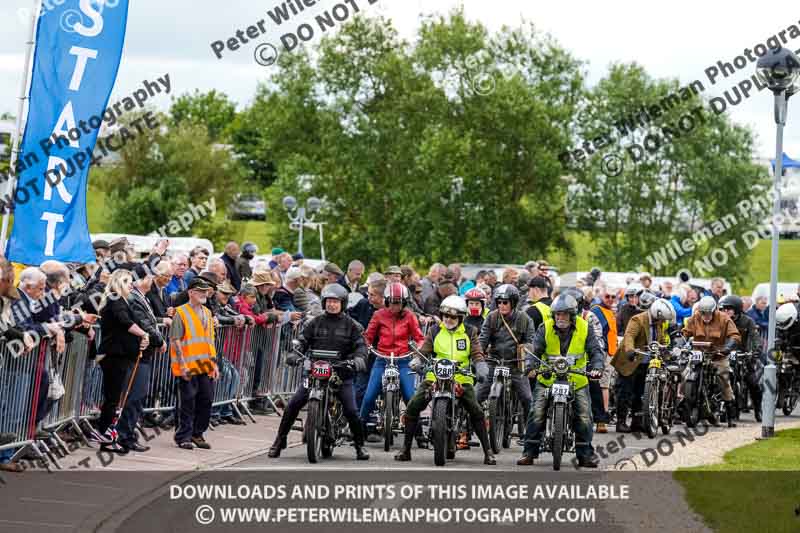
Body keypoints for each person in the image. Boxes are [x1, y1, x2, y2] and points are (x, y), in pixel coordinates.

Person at [267, 284, 370, 460]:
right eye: (329, 301)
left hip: (341, 374)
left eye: (335, 301)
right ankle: (279, 440)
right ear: (323, 302)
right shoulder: (314, 322)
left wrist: (358, 359)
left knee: (352, 410)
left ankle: (359, 446)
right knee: (293, 403)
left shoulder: (352, 326)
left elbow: (361, 347)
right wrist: (294, 353)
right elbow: (302, 341)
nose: (332, 305)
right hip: (314, 373)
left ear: (342, 303)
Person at [396, 295, 495, 465]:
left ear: (461, 317)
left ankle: (488, 452)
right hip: (435, 376)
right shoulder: (434, 330)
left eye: (453, 317)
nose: (448, 319)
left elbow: (477, 353)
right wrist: (417, 361)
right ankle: (405, 449)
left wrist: (481, 367)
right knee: (412, 405)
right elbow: (424, 350)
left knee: (476, 410)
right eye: (445, 316)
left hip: (461, 377)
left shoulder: (470, 332)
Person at [517, 294, 604, 468]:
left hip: (577, 378)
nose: (560, 318)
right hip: (548, 378)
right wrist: (530, 367)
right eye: (557, 314)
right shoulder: (545, 327)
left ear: (572, 315)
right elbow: (535, 350)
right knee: (536, 412)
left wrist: (597, 367)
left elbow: (596, 352)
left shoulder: (585, 328)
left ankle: (585, 454)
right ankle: (529, 452)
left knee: (585, 415)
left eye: (564, 314)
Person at [96, 269, 153, 453]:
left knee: (116, 399)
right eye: (128, 282)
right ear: (120, 282)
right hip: (113, 356)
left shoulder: (122, 301)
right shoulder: (114, 299)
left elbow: (134, 320)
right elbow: (126, 322)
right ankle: (106, 439)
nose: (132, 285)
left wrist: (145, 335)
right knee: (112, 400)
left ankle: (110, 437)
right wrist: (143, 333)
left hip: (122, 356)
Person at [360, 283, 424, 437]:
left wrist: (418, 350)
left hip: (403, 360)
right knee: (369, 396)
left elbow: (419, 337)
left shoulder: (410, 316)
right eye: (393, 301)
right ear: (387, 300)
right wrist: (367, 347)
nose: (396, 305)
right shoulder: (378, 315)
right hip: (382, 359)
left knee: (410, 397)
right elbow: (368, 336)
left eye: (399, 302)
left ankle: (419, 432)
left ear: (404, 302)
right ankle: (358, 430)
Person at [476, 284, 534, 445]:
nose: (501, 305)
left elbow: (530, 342)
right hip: (493, 362)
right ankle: (465, 432)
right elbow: (482, 339)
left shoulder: (524, 319)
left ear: (514, 302)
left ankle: (532, 436)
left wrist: (527, 360)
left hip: (515, 364)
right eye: (499, 302)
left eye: (505, 302)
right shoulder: (492, 317)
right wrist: (478, 356)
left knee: (528, 399)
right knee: (475, 397)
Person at [171, 276, 220, 449]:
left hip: (205, 364)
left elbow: (210, 340)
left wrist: (214, 363)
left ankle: (197, 434)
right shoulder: (181, 312)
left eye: (205, 291)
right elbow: (176, 340)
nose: (204, 294)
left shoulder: (207, 312)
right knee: (187, 402)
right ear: (191, 292)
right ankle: (183, 436)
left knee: (206, 400)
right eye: (200, 291)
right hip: (188, 365)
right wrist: (182, 364)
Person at [616, 299, 677, 433]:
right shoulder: (638, 319)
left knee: (640, 393)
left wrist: (668, 352)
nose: (662, 323)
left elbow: (660, 341)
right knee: (625, 392)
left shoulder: (659, 324)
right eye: (661, 320)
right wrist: (630, 350)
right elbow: (629, 336)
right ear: (657, 314)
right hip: (631, 360)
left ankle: (637, 422)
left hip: (647, 363)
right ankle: (621, 422)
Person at [681, 296, 741, 427]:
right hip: (699, 354)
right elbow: (685, 332)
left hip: (717, 355)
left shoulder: (724, 318)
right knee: (684, 374)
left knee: (723, 376)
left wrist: (727, 348)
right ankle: (681, 402)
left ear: (714, 311)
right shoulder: (695, 318)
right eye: (703, 312)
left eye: (708, 313)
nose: (706, 315)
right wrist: (680, 342)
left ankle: (730, 413)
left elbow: (735, 335)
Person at [126, 264, 167, 451]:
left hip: (144, 354)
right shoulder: (134, 298)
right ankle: (125, 435)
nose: (151, 280)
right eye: (149, 277)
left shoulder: (142, 297)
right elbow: (144, 324)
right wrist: (159, 340)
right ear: (140, 280)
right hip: (136, 354)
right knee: (134, 397)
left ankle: (128, 434)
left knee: (139, 396)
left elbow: (150, 321)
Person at [719, 294, 763, 421]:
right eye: (723, 309)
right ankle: (720, 407)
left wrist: (756, 350)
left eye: (729, 309)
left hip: (743, 356)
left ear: (737, 309)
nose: (725, 312)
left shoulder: (747, 321)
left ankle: (758, 409)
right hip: (724, 355)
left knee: (753, 383)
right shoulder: (720, 321)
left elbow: (755, 337)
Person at [590, 284, 618, 433]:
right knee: (603, 385)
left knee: (605, 385)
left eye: (613, 297)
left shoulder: (610, 311)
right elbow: (597, 335)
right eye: (607, 296)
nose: (610, 299)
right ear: (601, 296)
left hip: (609, 353)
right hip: (602, 353)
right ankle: (602, 418)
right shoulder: (597, 310)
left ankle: (602, 417)